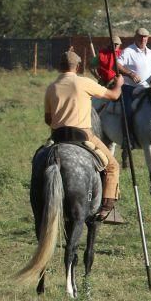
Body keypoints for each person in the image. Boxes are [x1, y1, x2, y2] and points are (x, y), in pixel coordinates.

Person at [45, 51, 125, 223]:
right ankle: (107, 209)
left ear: (60, 66)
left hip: (57, 137)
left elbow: (48, 119)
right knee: (112, 166)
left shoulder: (51, 87)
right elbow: (114, 96)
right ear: (78, 66)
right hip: (83, 135)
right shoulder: (84, 82)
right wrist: (119, 84)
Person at [117, 27, 151, 118]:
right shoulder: (128, 51)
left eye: (145, 37)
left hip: (148, 89)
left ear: (148, 38)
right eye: (140, 36)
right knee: (128, 112)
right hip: (130, 88)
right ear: (135, 37)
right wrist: (130, 73)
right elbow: (117, 65)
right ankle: (127, 132)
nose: (143, 39)